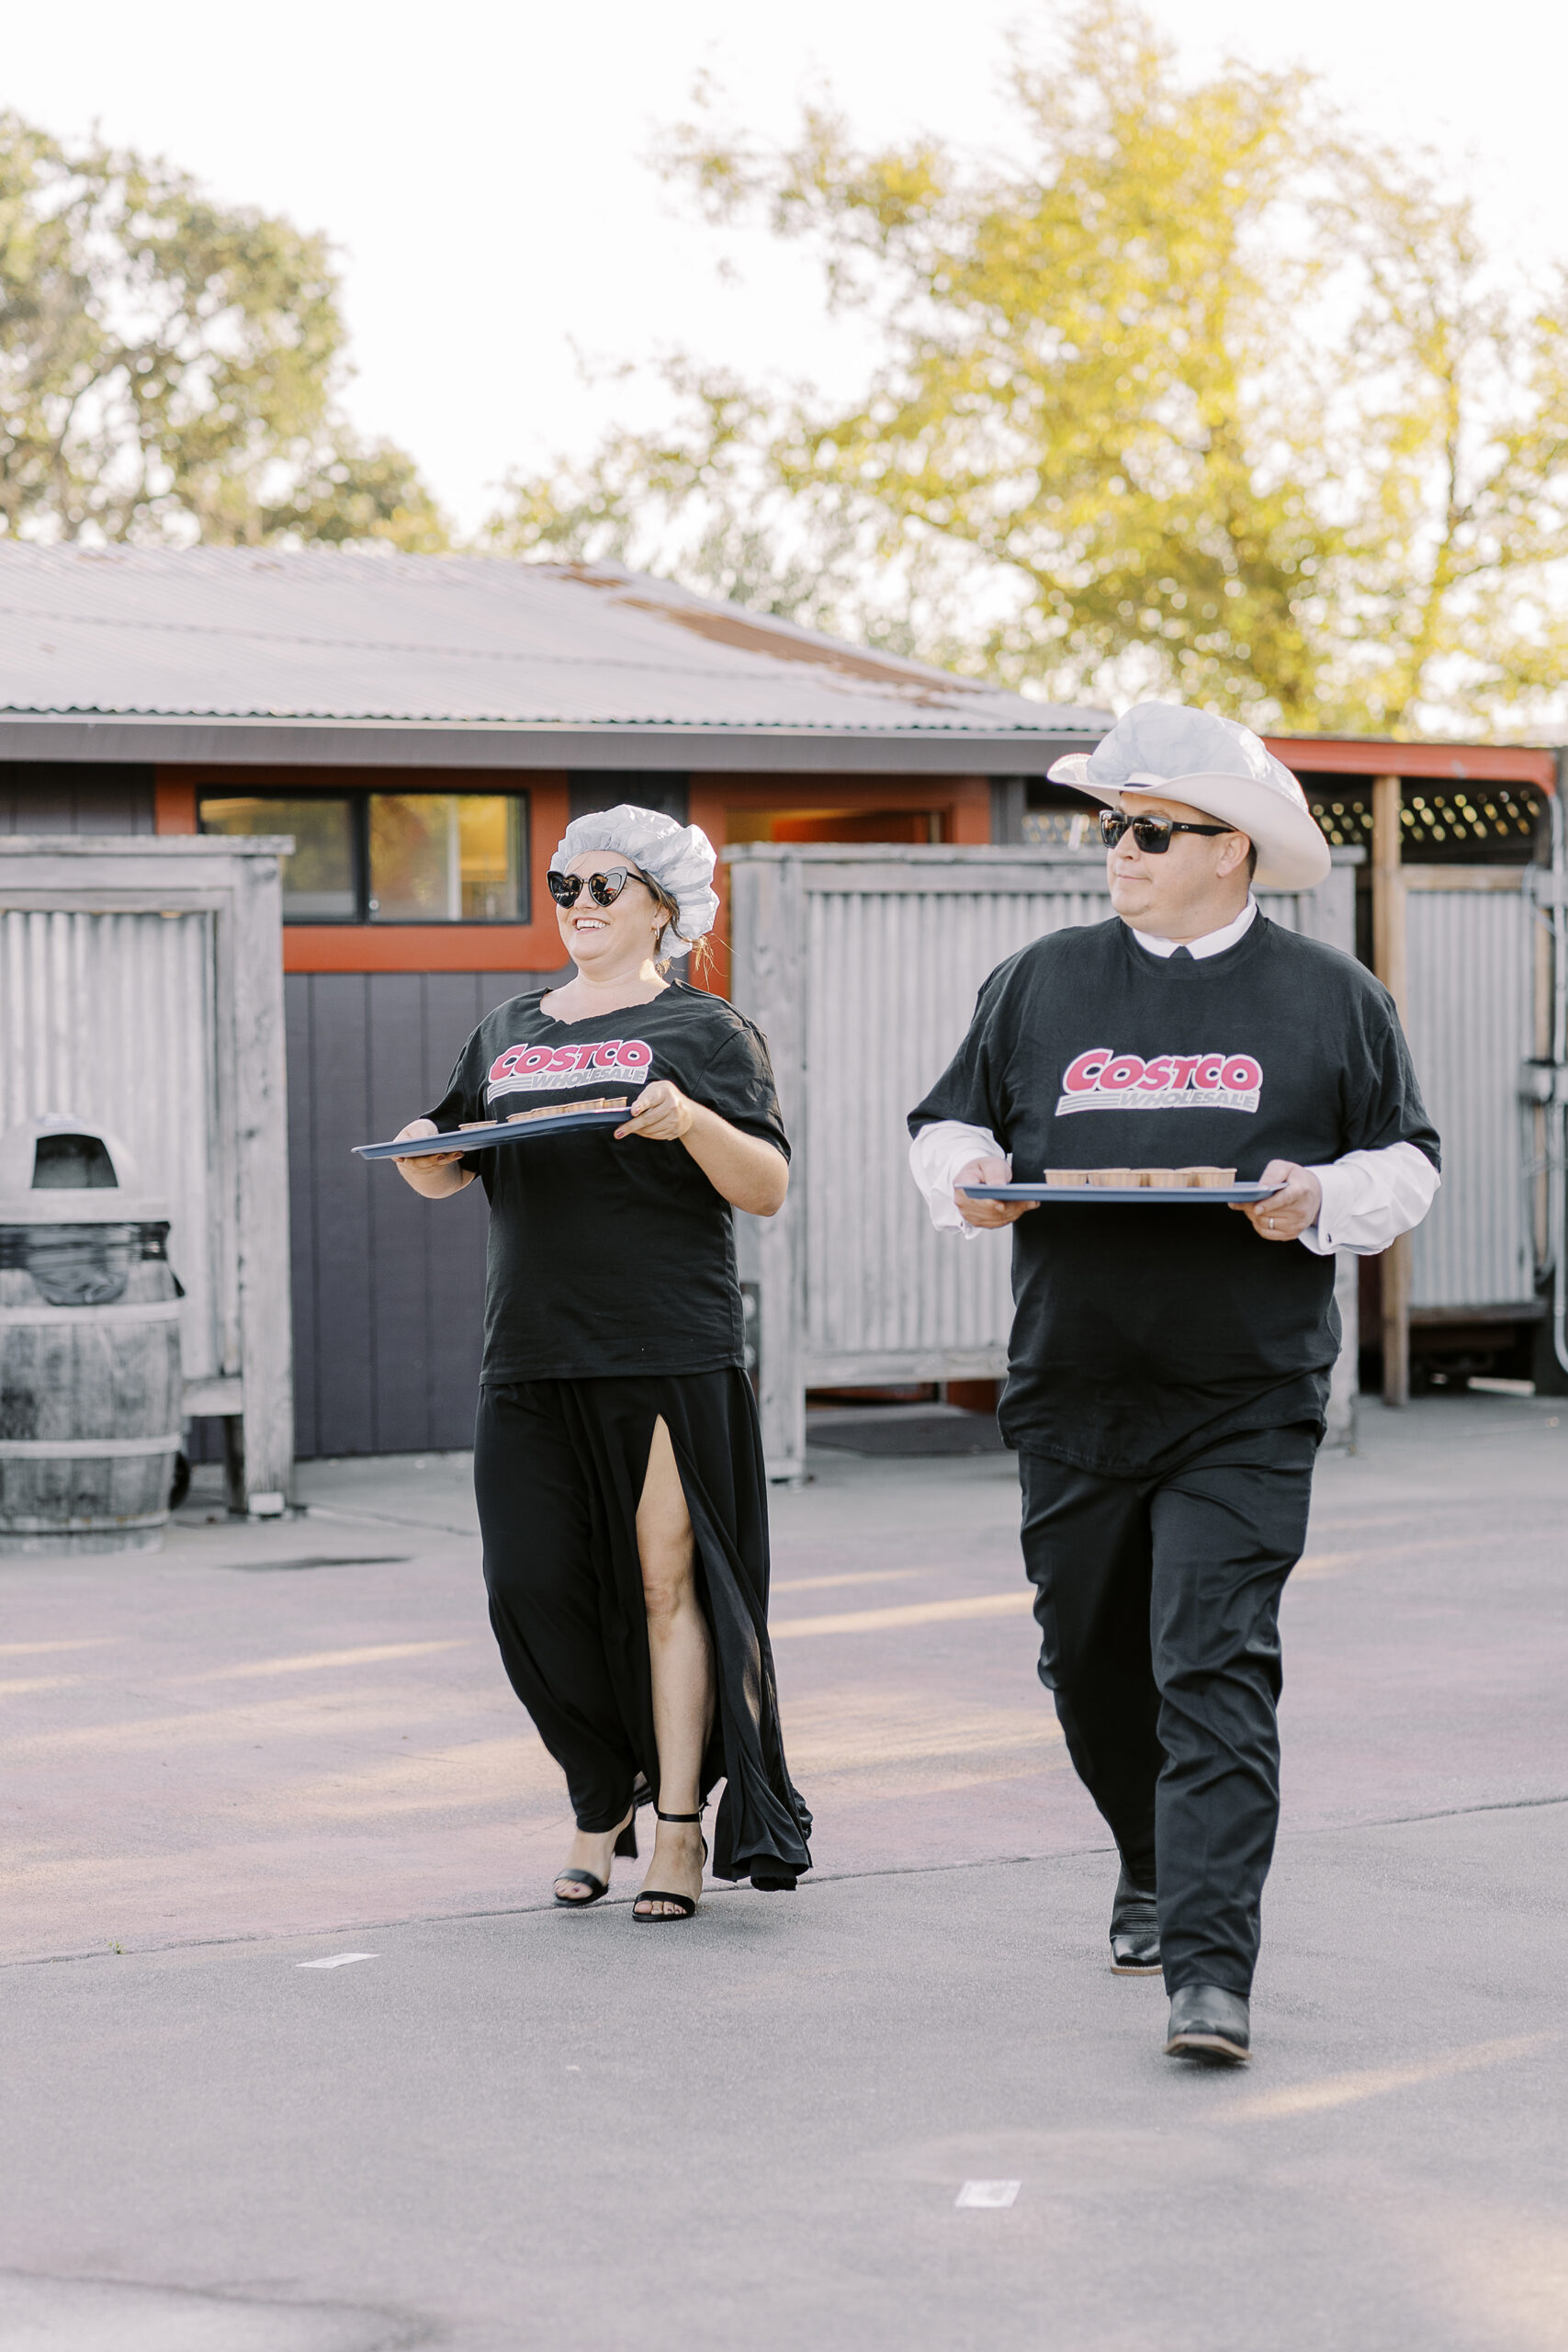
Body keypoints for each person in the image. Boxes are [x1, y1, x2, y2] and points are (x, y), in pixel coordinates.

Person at [908, 704, 1439, 2063]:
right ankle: (1144, 1855)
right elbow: (950, 1122)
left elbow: (1406, 1167)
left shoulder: (1330, 999)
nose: (1117, 851)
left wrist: (1316, 1194)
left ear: (1231, 851)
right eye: (1109, 828)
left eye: (1146, 829)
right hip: (1070, 1389)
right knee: (1085, 1666)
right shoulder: (1039, 982)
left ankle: (1209, 1970)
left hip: (1242, 1398)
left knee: (1209, 1666)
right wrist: (962, 1183)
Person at [392, 803, 811, 1920]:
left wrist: (689, 1124)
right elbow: (444, 1164)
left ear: (663, 908)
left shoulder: (707, 1031)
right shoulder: (509, 1028)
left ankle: (674, 1828)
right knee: (527, 1586)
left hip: (664, 1345)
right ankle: (603, 1780)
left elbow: (765, 1184)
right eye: (563, 885)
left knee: (668, 1587)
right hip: (528, 1351)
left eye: (604, 886)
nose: (579, 905)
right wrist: (423, 1156)